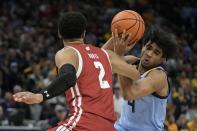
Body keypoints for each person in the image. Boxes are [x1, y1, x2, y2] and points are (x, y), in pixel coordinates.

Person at [13, 12, 140, 131]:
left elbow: (68, 76)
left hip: (83, 123)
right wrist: (120, 55)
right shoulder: (105, 55)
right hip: (107, 126)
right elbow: (135, 74)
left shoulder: (67, 52)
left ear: (59, 34)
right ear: (84, 33)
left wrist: (40, 96)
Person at [105, 26, 177, 131]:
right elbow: (96, 61)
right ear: (143, 46)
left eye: (156, 53)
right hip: (121, 127)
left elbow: (129, 93)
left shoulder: (158, 76)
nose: (149, 54)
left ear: (163, 60)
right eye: (148, 47)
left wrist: (119, 55)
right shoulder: (131, 61)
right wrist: (116, 36)